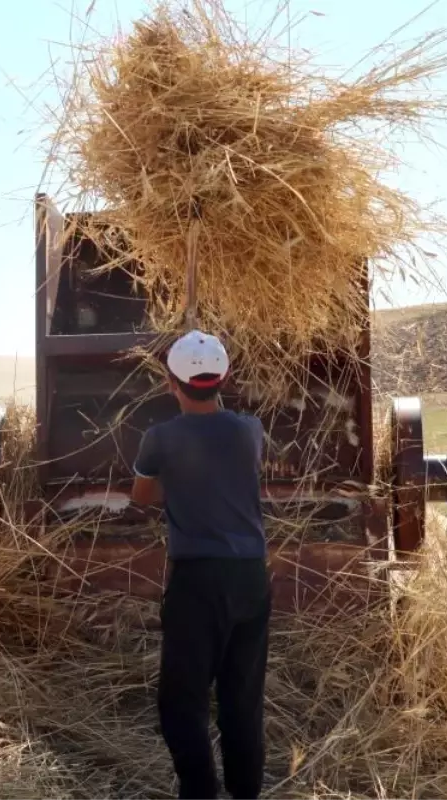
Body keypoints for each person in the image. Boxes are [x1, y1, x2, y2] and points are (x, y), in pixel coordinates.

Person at [130, 329, 272, 800]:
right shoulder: (250, 430)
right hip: (252, 578)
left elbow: (143, 496)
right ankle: (246, 793)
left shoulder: (160, 438)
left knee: (182, 701)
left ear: (172, 383)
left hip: (198, 583)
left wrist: (179, 479)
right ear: (224, 377)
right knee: (241, 698)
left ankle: (200, 793)